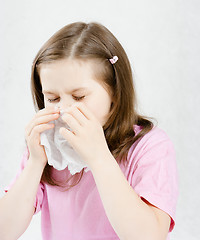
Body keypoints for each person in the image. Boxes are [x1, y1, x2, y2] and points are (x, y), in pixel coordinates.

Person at [0, 22, 178, 240]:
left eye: (79, 97)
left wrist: (99, 158)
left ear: (114, 92)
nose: (64, 109)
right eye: (53, 98)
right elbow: (4, 231)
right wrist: (35, 162)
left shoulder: (149, 146)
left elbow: (149, 236)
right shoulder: (47, 148)